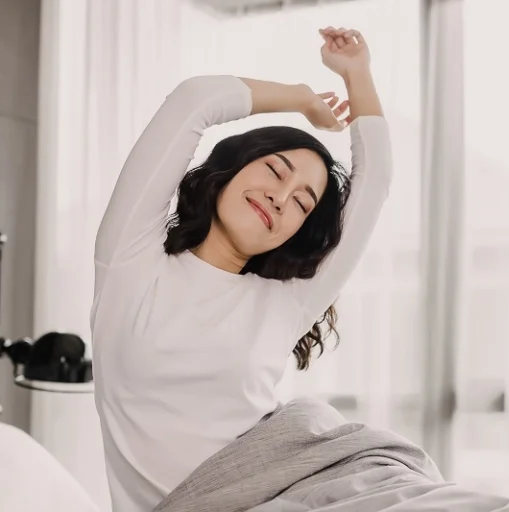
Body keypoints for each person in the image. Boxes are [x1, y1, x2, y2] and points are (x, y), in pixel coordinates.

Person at [90, 26, 390, 512]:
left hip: (294, 493)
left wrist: (358, 74)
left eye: (302, 203)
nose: (281, 197)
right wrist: (302, 99)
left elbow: (374, 183)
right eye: (274, 171)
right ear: (229, 169)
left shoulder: (288, 302)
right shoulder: (129, 261)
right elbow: (195, 100)